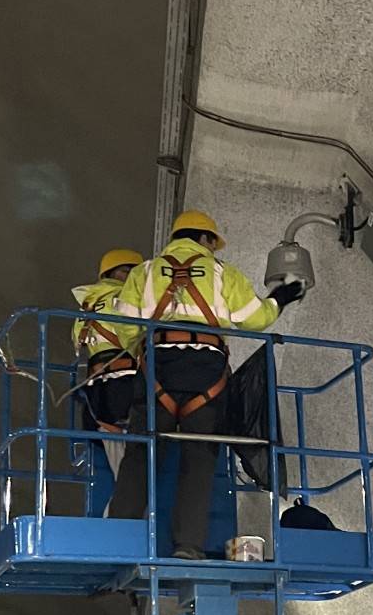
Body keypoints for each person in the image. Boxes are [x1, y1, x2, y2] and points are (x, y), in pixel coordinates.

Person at [108, 210, 304, 557]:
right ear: (205, 239)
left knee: (140, 457)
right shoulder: (221, 273)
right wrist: (282, 297)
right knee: (199, 460)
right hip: (206, 373)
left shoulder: (144, 273)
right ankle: (188, 546)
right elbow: (254, 319)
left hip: (158, 368)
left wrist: (149, 350)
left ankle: (118, 541)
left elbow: (124, 329)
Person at [72, 248, 144, 477]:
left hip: (97, 395)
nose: (133, 278)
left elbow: (78, 344)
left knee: (120, 461)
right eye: (127, 271)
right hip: (125, 389)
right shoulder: (125, 300)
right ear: (111, 274)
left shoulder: (86, 309)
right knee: (131, 468)